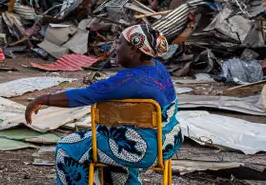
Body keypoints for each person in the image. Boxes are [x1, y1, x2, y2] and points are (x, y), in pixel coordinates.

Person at [25, 24, 183, 185]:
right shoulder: (159, 68)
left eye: (120, 43)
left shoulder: (129, 79)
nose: (116, 48)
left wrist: (43, 99)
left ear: (134, 50)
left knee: (67, 147)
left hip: (139, 150)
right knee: (109, 141)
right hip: (168, 143)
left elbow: (86, 95)